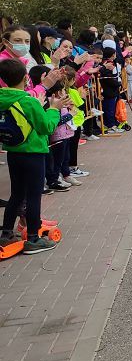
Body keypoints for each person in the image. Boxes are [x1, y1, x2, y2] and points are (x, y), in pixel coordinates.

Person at [0, 58, 70, 254]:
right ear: (25, 78)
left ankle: (6, 234)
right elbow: (46, 127)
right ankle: (33, 238)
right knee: (33, 195)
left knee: (16, 194)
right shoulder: (28, 101)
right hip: (34, 152)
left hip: (13, 151)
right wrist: (54, 110)